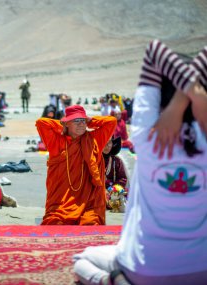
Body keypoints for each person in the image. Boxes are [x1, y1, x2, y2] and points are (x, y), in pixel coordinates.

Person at [73, 40, 207, 285]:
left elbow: (154, 50)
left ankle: (112, 281)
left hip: (146, 271)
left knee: (83, 259)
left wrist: (183, 98)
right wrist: (198, 97)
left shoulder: (147, 135)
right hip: (202, 269)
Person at [36, 105, 117, 225]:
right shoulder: (57, 141)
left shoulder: (94, 139)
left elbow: (112, 121)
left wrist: (91, 121)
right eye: (76, 121)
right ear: (67, 123)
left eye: (83, 121)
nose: (81, 124)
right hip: (60, 205)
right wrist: (62, 126)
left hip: (88, 205)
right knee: (55, 225)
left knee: (91, 225)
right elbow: (41, 123)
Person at [102, 136, 128, 213]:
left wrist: (114, 190)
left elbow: (122, 178)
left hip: (113, 191)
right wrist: (103, 190)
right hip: (98, 191)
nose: (107, 145)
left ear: (113, 144)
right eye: (104, 141)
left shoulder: (116, 161)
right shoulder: (93, 160)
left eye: (109, 142)